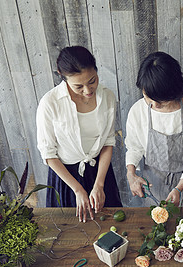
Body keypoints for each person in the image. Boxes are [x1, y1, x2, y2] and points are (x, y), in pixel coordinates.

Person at [36, 46, 122, 222]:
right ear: (62, 75)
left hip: (100, 173)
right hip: (67, 178)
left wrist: (99, 184)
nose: (88, 90)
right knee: (69, 232)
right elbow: (49, 154)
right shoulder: (50, 103)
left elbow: (107, 142)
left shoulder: (108, 97)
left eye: (92, 81)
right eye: (78, 86)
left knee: (110, 227)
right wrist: (78, 190)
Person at [125, 52, 183, 207]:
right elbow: (134, 147)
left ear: (174, 91)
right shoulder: (138, 110)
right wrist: (131, 174)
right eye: (148, 98)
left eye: (160, 102)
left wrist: (179, 188)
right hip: (151, 187)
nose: (154, 106)